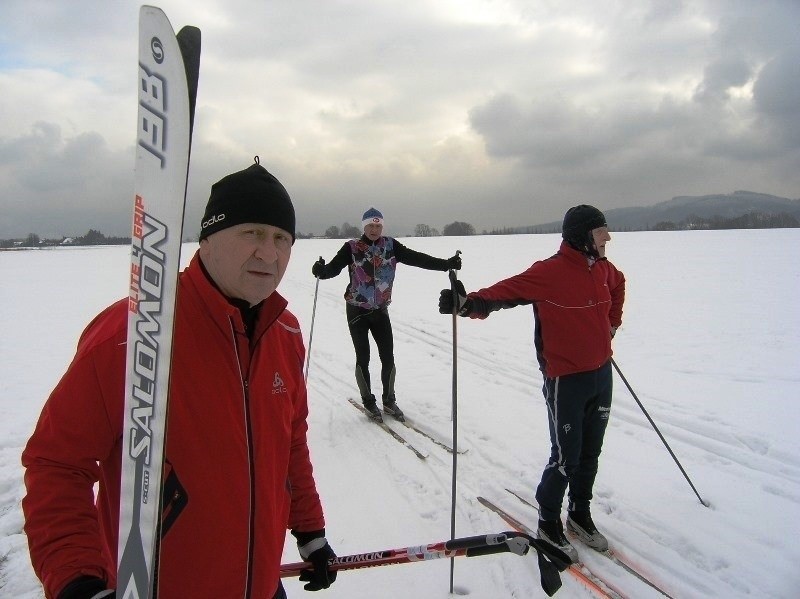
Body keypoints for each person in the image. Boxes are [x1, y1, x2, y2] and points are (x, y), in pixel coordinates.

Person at [22, 158, 337, 599]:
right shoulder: (133, 335)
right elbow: (57, 463)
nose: (270, 253)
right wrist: (77, 579)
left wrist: (310, 529)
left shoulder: (284, 333)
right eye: (252, 233)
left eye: (282, 238)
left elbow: (290, 442)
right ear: (206, 240)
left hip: (260, 586)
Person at [438, 205, 625, 562]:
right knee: (566, 458)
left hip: (602, 376)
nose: (607, 238)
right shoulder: (550, 272)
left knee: (590, 453)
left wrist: (611, 325)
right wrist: (467, 303)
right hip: (566, 381)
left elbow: (618, 286)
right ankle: (547, 521)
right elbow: (504, 293)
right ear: (582, 235)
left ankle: (580, 515)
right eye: (601, 232)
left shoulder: (603, 270)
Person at [312, 207, 461, 422]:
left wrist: (446, 264)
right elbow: (332, 269)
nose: (374, 229)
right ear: (364, 226)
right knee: (363, 356)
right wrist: (321, 270)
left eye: (378, 225)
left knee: (388, 357)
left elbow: (417, 258)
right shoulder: (352, 247)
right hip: (357, 310)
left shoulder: (391, 246)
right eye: (370, 226)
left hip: (380, 310)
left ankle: (389, 401)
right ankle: (368, 400)